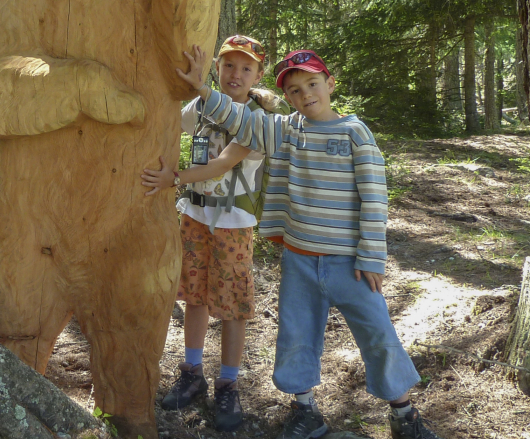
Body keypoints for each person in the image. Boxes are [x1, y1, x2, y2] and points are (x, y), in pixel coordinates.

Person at [174, 47, 443, 439]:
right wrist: (201, 86)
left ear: (329, 84)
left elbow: (374, 198)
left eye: (312, 84)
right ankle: (305, 411)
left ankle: (404, 414)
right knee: (296, 336)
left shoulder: (355, 133)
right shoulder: (286, 128)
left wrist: (372, 257)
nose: (305, 95)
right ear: (288, 96)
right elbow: (238, 117)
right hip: (299, 259)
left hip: (348, 262)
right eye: (295, 90)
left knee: (377, 333)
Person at [141, 35, 285, 432]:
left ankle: (228, 382)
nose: (235, 74)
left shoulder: (258, 118)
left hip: (233, 224)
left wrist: (174, 178)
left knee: (232, 303)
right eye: (228, 66)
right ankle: (191, 371)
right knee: (196, 295)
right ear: (217, 69)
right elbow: (169, 121)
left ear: (258, 74)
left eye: (246, 67)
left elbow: (223, 164)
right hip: (196, 217)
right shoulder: (203, 107)